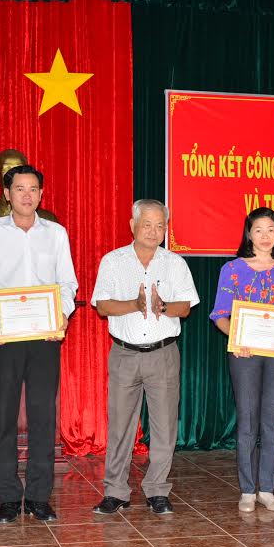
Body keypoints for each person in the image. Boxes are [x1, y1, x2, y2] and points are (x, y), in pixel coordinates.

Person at [0, 164, 77, 523]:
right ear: (6, 193)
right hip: (4, 339)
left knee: (43, 417)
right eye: (19, 189)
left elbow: (68, 284)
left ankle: (40, 496)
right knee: (6, 417)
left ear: (41, 194)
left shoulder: (56, 233)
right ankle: (9, 496)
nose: (27, 196)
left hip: (44, 337)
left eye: (33, 189)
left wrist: (61, 315)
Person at [90, 199, 199, 516]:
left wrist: (162, 306)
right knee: (120, 427)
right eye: (147, 224)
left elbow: (185, 307)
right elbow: (102, 306)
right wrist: (135, 305)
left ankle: (158, 490)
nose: (153, 231)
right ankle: (115, 491)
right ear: (132, 225)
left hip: (163, 353)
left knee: (164, 426)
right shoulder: (113, 261)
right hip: (124, 353)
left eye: (160, 225)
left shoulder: (175, 263)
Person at [209, 207, 274, 513]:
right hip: (244, 354)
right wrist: (236, 337)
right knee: (248, 420)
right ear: (248, 234)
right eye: (258, 230)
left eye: (271, 230)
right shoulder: (232, 269)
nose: (265, 236)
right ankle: (247, 491)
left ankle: (267, 489)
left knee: (272, 421)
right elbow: (220, 315)